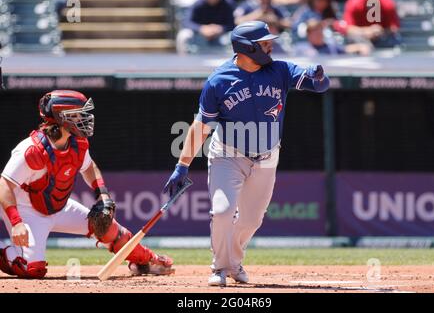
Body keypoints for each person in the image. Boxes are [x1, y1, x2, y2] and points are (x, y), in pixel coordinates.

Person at [164, 21, 330, 286]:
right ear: (247, 47)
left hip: (266, 157)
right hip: (228, 154)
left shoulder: (280, 69)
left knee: (252, 220)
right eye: (264, 42)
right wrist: (182, 165)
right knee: (222, 210)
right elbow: (201, 126)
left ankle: (233, 263)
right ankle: (219, 267)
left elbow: (319, 87)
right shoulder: (219, 80)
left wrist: (319, 75)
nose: (270, 45)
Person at [0, 90, 174, 279]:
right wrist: (16, 223)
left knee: (106, 227)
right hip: (26, 209)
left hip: (58, 206)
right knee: (32, 269)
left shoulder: (77, 144)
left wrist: (103, 195)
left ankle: (146, 261)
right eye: (77, 114)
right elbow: (4, 185)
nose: (84, 118)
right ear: (61, 116)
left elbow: (90, 168)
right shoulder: (32, 149)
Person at [294, 18, 372, 55]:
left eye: (319, 29)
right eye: (314, 31)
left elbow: (347, 49)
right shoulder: (300, 48)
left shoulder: (331, 47)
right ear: (308, 34)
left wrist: (361, 47)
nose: (318, 33)